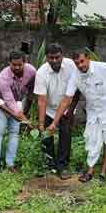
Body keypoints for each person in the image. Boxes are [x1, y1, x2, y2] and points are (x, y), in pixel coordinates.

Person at [49, 50, 106, 183]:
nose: (80, 65)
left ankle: (103, 171)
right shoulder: (75, 76)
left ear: (88, 58)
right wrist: (55, 122)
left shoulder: (103, 67)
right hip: (93, 110)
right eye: (77, 63)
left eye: (82, 61)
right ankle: (90, 170)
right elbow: (67, 99)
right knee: (91, 139)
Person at [35, 43, 78, 179]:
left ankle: (62, 166)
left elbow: (77, 90)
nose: (54, 61)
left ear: (62, 55)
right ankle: (50, 164)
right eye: (51, 58)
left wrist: (70, 110)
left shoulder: (71, 66)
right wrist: (41, 124)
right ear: (46, 58)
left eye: (57, 57)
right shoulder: (41, 73)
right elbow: (41, 100)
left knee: (65, 136)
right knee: (46, 136)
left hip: (67, 108)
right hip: (49, 108)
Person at [0, 50, 35, 173]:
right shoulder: (3, 76)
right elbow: (9, 100)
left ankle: (10, 164)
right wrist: (25, 120)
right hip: (2, 104)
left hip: (18, 102)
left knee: (14, 133)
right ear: (9, 63)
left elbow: (32, 88)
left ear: (24, 63)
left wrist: (25, 111)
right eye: (13, 65)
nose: (16, 67)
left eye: (19, 65)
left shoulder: (31, 71)